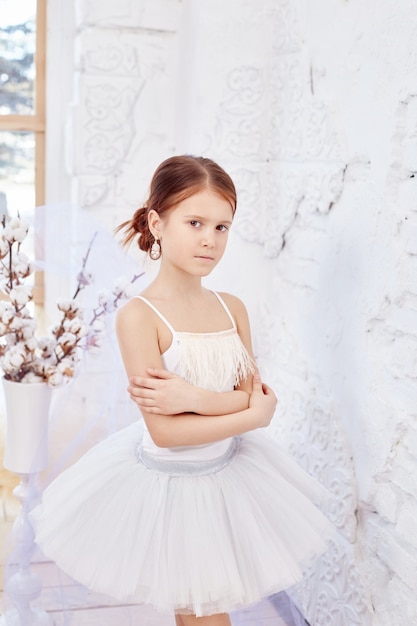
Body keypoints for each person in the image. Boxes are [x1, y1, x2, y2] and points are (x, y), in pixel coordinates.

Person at [31, 155, 334, 626]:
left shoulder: (232, 308)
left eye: (222, 227)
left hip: (231, 474)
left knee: (207, 607)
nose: (210, 239)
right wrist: (252, 415)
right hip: (174, 488)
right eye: (195, 222)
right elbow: (168, 433)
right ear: (157, 222)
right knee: (202, 611)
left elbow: (249, 395)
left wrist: (195, 401)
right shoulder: (140, 317)